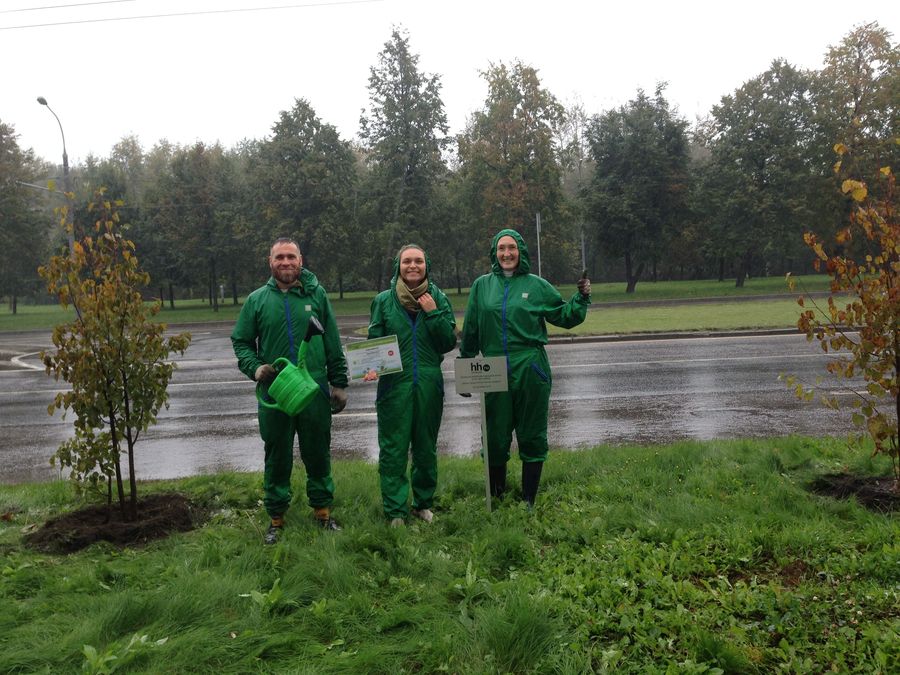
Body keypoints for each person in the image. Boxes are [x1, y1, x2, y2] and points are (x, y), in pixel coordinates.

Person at [459, 228, 590, 507]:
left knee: (531, 432)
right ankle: (496, 497)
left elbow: (564, 316)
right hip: (493, 367)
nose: (507, 253)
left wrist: (580, 298)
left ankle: (529, 500)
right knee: (494, 434)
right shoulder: (482, 286)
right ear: (494, 252)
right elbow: (471, 327)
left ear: (521, 251)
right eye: (501, 248)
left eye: (512, 248)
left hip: (530, 366)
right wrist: (467, 363)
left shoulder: (537, 285)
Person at [231, 237, 348, 544]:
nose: (285, 262)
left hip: (314, 390)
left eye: (291, 257)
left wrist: (339, 383)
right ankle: (276, 519)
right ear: (270, 262)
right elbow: (241, 342)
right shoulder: (257, 300)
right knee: (277, 455)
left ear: (300, 260)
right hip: (276, 392)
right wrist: (256, 368)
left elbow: (332, 341)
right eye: (279, 257)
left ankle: (322, 513)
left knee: (318, 451)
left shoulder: (316, 295)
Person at [365, 244, 457, 526]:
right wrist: (370, 366)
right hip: (394, 386)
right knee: (393, 449)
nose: (413, 266)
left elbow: (448, 341)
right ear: (399, 266)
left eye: (418, 261)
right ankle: (395, 510)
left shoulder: (438, 297)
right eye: (407, 261)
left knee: (426, 448)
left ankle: (422, 504)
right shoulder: (384, 301)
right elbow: (374, 340)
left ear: (426, 265)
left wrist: (433, 312)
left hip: (429, 384)